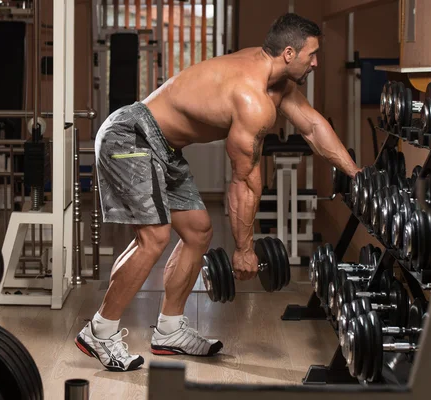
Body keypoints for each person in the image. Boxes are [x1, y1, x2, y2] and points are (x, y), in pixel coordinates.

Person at [75, 12, 361, 372]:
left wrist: (356, 173)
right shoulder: (251, 98)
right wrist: (244, 248)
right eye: (312, 55)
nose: (316, 62)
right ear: (289, 53)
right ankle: (100, 330)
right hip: (130, 136)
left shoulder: (273, 76)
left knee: (197, 232)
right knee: (154, 238)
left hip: (164, 147)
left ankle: (169, 329)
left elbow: (314, 126)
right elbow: (244, 180)